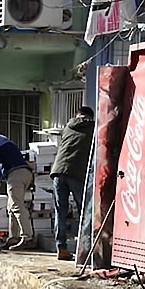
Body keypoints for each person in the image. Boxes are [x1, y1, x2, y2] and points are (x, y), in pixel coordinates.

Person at [50, 107, 95, 261]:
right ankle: (85, 249)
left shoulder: (68, 127)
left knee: (60, 212)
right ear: (90, 116)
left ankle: (61, 248)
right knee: (84, 212)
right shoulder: (92, 128)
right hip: (76, 173)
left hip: (58, 172)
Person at [0, 125, 34, 251]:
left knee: (16, 206)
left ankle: (27, 238)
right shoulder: (6, 142)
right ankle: (13, 237)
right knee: (11, 207)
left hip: (16, 175)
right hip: (25, 173)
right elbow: (2, 163)